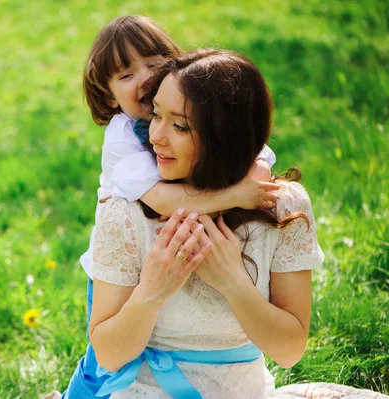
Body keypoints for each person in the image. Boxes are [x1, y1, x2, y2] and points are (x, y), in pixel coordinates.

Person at [50, 17, 280, 399]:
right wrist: (238, 194)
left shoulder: (200, 111)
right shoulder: (122, 138)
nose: (144, 78)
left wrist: (252, 172)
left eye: (154, 62)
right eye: (125, 75)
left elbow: (258, 156)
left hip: (173, 251)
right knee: (107, 362)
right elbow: (161, 200)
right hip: (119, 267)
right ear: (109, 97)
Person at [88, 49, 325, 398]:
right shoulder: (125, 212)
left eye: (179, 125)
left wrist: (233, 282)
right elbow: (107, 356)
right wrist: (152, 290)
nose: (155, 136)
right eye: (155, 115)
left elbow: (289, 351)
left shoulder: (282, 203)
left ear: (225, 135)